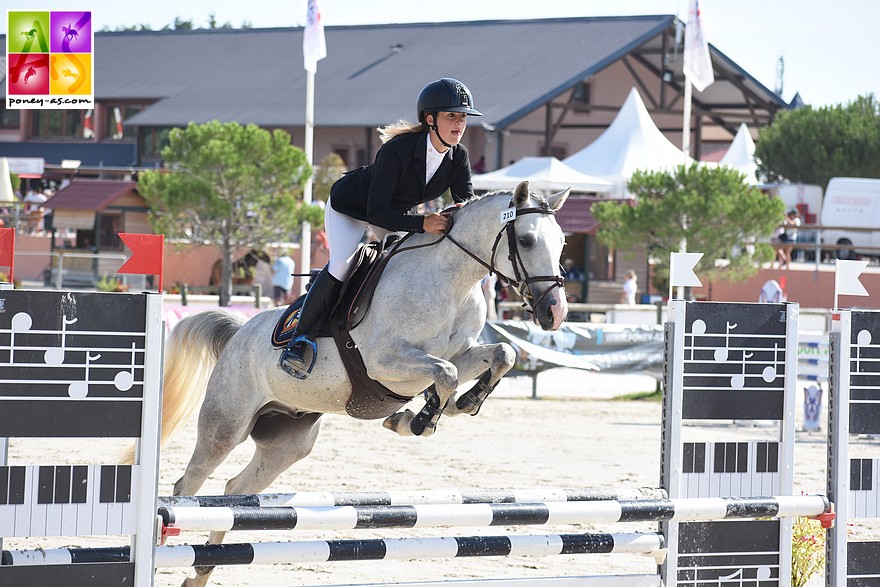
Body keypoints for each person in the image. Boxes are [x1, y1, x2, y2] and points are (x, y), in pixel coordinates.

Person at [279, 78, 482, 379]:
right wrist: (422, 223)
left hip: (394, 213)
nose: (459, 123)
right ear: (430, 119)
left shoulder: (458, 156)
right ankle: (299, 341)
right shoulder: (398, 150)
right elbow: (377, 212)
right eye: (451, 116)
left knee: (409, 265)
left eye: (463, 117)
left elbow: (467, 205)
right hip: (350, 208)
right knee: (342, 265)